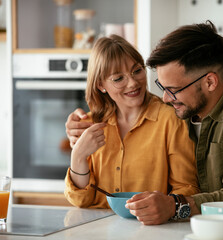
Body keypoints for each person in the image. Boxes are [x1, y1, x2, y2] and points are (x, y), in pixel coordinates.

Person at [66, 21, 223, 225]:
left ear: (210, 82)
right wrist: (76, 148)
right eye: (162, 87)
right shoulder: (190, 106)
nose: (165, 99)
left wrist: (173, 205)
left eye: (173, 89)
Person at [64, 34, 199, 209]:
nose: (133, 83)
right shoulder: (89, 124)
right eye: (118, 78)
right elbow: (81, 200)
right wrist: (78, 156)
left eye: (137, 71)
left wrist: (163, 208)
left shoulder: (170, 120)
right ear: (100, 85)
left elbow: (187, 189)